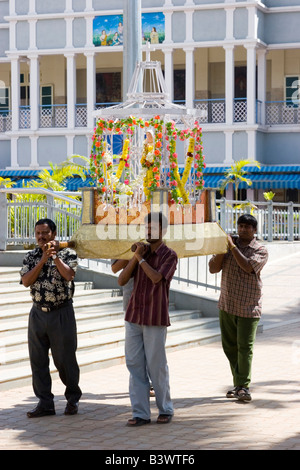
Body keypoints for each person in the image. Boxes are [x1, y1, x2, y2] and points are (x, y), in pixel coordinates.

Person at [118, 212, 178, 426]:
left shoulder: (169, 255)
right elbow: (121, 279)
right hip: (133, 315)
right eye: (147, 228)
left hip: (155, 317)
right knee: (134, 365)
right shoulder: (138, 252)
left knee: (156, 365)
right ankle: (141, 413)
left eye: (154, 228)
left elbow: (155, 278)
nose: (150, 231)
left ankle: (166, 409)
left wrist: (140, 258)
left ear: (163, 230)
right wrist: (135, 258)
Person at [20, 218, 82, 418]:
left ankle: (72, 399)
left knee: (65, 359)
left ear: (54, 234)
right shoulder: (31, 256)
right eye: (38, 233)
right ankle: (45, 403)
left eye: (45, 233)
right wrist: (42, 259)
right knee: (37, 361)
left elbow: (69, 275)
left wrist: (54, 257)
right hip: (38, 313)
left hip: (61, 312)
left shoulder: (68, 253)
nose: (41, 237)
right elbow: (26, 280)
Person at [209, 214, 268, 402]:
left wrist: (232, 247)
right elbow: (213, 268)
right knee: (229, 347)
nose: (243, 229)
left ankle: (243, 385)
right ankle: (239, 385)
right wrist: (222, 248)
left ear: (255, 230)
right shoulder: (227, 245)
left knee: (245, 347)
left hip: (249, 306)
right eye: (240, 226)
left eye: (247, 227)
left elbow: (247, 267)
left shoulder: (260, 249)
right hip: (227, 303)